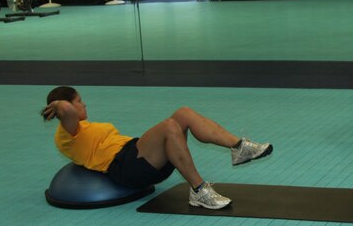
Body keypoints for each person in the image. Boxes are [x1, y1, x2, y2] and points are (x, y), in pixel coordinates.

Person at [42, 86, 273, 210]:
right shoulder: (67, 133)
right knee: (169, 126)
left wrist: (64, 104)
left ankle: (240, 147)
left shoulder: (83, 126)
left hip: (136, 154)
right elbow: (68, 113)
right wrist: (59, 103)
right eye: (79, 100)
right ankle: (199, 191)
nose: (84, 104)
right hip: (125, 167)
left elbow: (71, 111)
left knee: (182, 113)